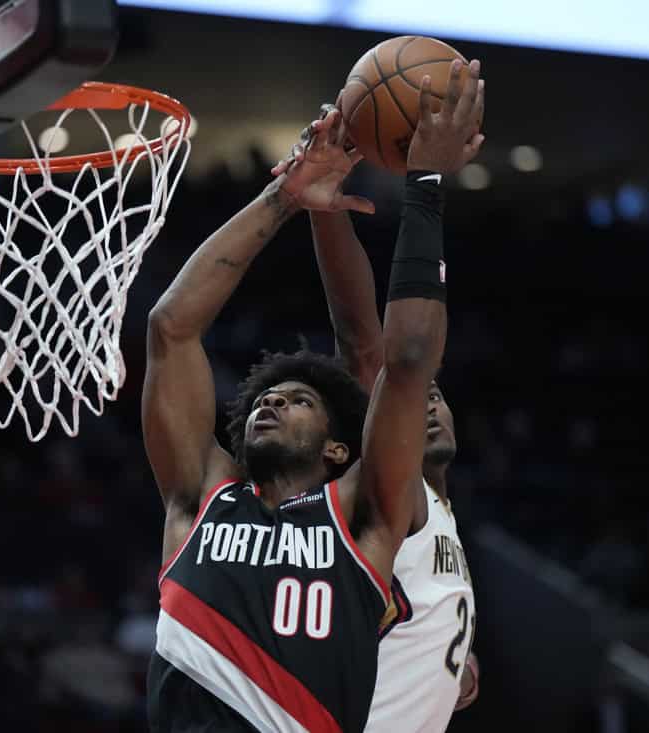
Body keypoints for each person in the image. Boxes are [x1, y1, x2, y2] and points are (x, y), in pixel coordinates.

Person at [142, 60, 485, 732]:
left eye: (296, 399)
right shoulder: (203, 498)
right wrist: (288, 198)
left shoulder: (367, 516)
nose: (271, 403)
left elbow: (403, 361)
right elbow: (169, 328)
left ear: (339, 443)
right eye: (266, 399)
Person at [271, 89, 485, 729]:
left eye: (438, 396)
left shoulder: (438, 514)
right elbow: (369, 344)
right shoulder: (389, 494)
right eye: (422, 393)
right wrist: (325, 213)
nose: (428, 403)